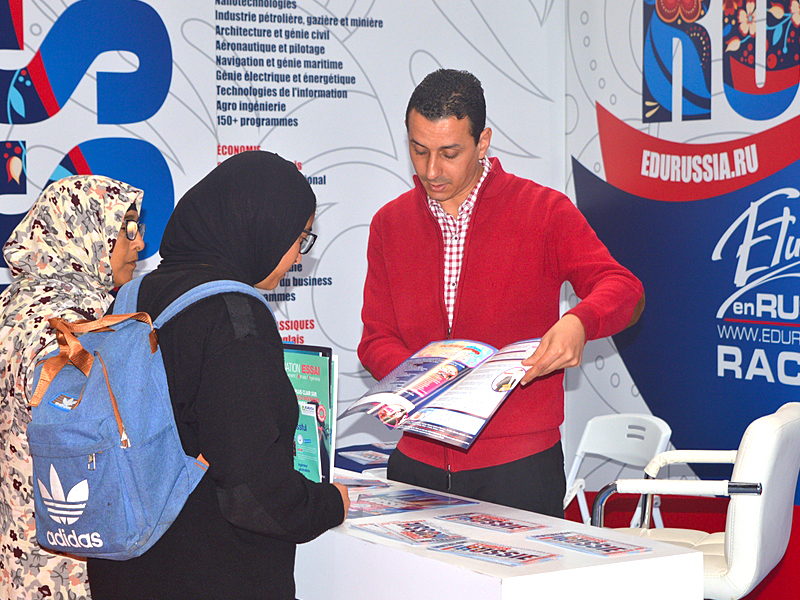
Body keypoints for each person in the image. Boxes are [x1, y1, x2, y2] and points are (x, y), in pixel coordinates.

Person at [358, 69, 645, 517]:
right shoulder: (389, 224)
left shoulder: (543, 211)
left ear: (483, 142)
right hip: (418, 463)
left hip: (518, 469)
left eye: (449, 153)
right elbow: (375, 338)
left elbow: (624, 289)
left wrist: (578, 323)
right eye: (419, 150)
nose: (431, 170)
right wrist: (426, 382)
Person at [86, 151, 350, 600]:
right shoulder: (235, 316)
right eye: (300, 238)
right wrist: (327, 504)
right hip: (211, 573)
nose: (297, 257)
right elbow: (253, 491)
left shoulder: (133, 296)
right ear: (263, 226)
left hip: (125, 569)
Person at [0, 175, 144, 600]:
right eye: (128, 227)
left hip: (20, 535)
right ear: (85, 231)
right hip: (72, 549)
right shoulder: (74, 322)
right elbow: (95, 433)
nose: (138, 243)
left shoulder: (14, 304)